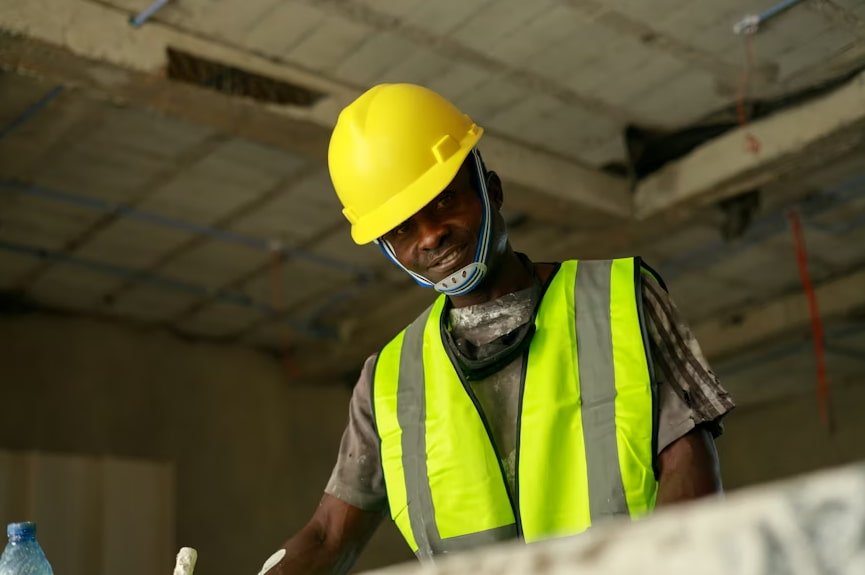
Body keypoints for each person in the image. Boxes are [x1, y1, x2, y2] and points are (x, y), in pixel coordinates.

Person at [262, 84, 735, 574]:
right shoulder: (386, 384)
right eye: (402, 229)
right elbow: (327, 535)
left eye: (443, 202)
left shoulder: (621, 301)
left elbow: (689, 469)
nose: (430, 235)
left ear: (491, 189)